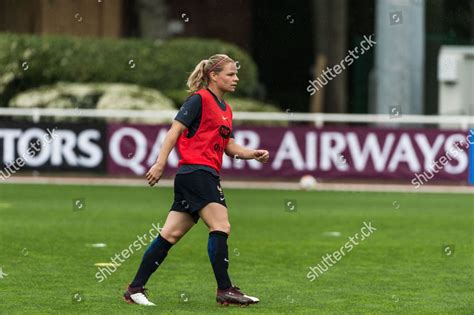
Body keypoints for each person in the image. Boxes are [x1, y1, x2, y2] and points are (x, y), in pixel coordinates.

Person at [123, 54, 270, 306]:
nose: (236, 78)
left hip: (198, 175)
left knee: (170, 234)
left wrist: (251, 154)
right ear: (214, 75)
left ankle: (134, 288)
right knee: (221, 225)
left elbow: (229, 145)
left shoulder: (226, 109)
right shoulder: (199, 99)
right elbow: (174, 131)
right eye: (231, 74)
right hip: (197, 173)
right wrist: (160, 163)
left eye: (236, 74)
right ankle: (225, 290)